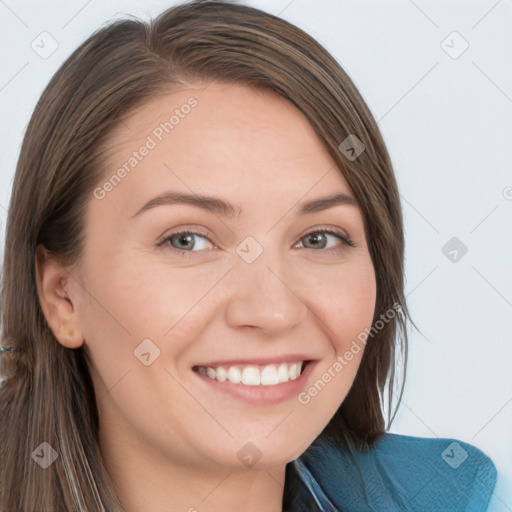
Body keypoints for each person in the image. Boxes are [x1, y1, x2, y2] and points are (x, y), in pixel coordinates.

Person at [0, 1, 497, 510]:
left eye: (319, 238)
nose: (273, 310)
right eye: (187, 240)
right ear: (62, 295)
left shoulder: (454, 496)